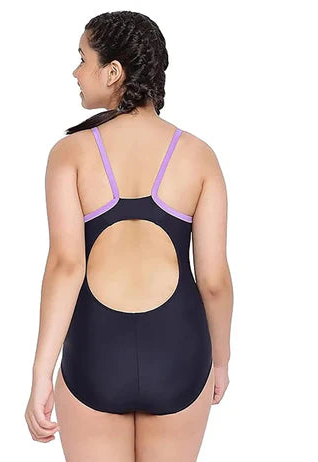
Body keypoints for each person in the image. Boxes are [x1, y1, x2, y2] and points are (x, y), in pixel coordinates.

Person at [25, 11, 233, 462]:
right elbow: (214, 279)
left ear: (113, 71)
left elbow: (65, 266)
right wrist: (220, 360)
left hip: (95, 353)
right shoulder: (199, 156)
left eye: (83, 59)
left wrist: (42, 373)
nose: (76, 72)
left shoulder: (70, 154)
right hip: (179, 355)